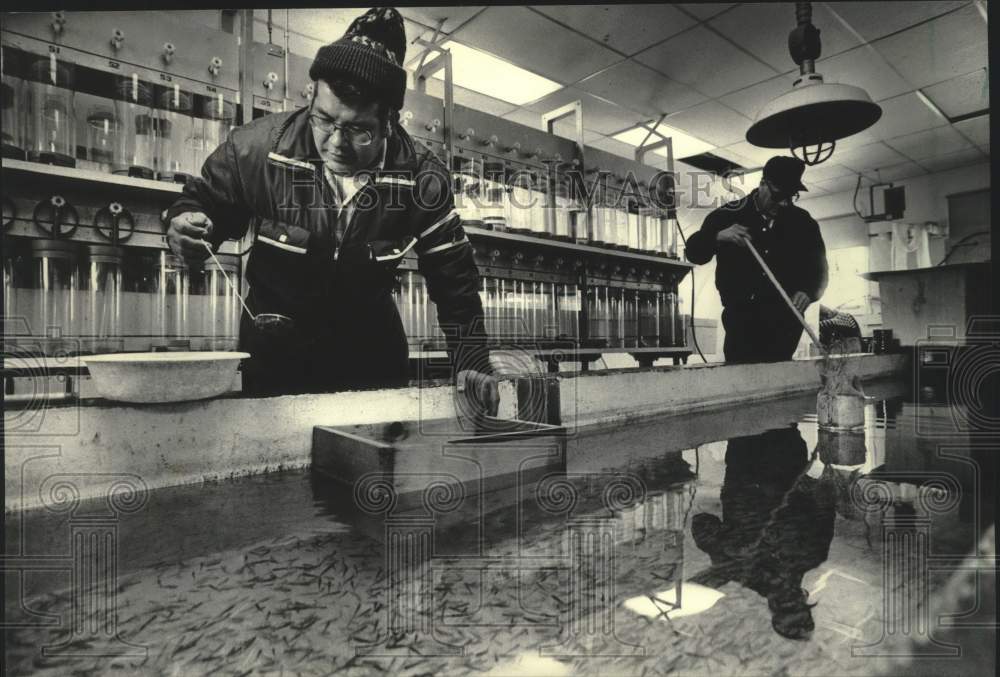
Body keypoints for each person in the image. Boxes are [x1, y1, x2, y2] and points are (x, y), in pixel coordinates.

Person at [164, 7, 497, 408]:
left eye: (358, 129)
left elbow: (454, 278)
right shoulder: (257, 149)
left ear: (390, 121)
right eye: (323, 119)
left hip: (372, 360)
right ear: (311, 97)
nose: (335, 142)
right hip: (276, 359)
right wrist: (185, 225)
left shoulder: (421, 177)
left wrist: (473, 360)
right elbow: (201, 203)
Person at [686, 156, 828, 363]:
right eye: (779, 195)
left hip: (785, 322)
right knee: (742, 379)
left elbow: (820, 272)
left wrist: (808, 292)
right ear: (763, 184)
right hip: (742, 321)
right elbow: (693, 253)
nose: (784, 203)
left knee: (779, 382)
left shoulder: (803, 223)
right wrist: (717, 236)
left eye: (791, 196)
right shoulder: (727, 215)